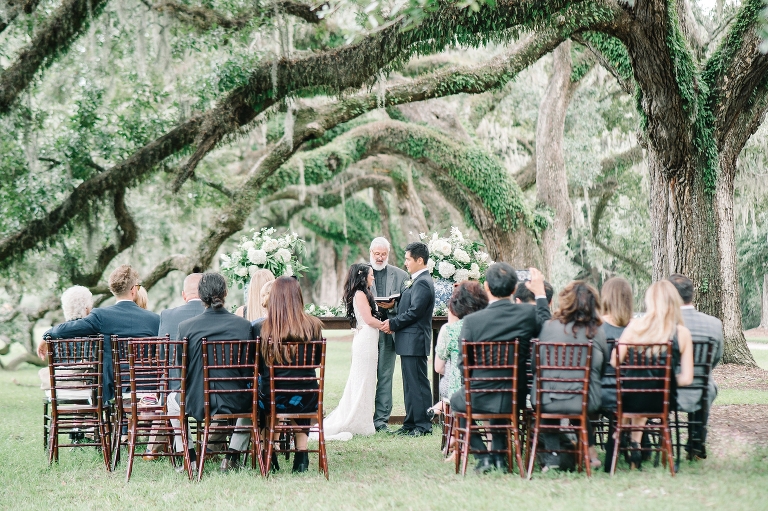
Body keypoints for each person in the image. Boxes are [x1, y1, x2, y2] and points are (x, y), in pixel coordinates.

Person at [449, 263, 550, 474]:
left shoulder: (472, 321)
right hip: (515, 395)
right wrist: (540, 294)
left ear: (486, 287)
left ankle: (483, 455)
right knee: (499, 401)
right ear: (514, 289)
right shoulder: (527, 314)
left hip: (479, 394)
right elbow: (547, 328)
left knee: (457, 402)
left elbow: (463, 365)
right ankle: (498, 457)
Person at [168, 273, 254, 473]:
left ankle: (189, 457)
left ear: (200, 295)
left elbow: (182, 368)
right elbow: (249, 367)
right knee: (253, 401)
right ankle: (232, 456)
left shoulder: (186, 327)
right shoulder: (243, 326)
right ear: (225, 293)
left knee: (172, 401)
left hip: (197, 399)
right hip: (235, 399)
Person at [45, 265, 160, 403]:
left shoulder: (101, 316)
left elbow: (64, 329)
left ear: (112, 290)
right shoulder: (155, 319)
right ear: (134, 289)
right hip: (146, 386)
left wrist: (47, 334)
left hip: (112, 388)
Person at [611, 280, 694, 469]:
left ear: (650, 301)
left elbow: (615, 361)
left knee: (639, 388)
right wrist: (664, 382)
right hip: (661, 401)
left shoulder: (634, 327)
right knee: (650, 391)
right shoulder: (682, 333)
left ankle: (634, 442)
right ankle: (635, 443)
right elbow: (687, 377)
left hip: (630, 398)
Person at [532, 281, 610, 471]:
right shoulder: (597, 332)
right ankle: (590, 454)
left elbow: (536, 365)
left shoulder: (549, 327)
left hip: (547, 400)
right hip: (585, 401)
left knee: (551, 395)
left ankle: (553, 456)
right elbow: (604, 368)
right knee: (578, 394)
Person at [256, 276, 324, 473]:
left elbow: (259, 367)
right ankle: (301, 456)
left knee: (264, 395)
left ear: (274, 298)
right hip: (308, 395)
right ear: (298, 297)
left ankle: (268, 451)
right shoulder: (314, 326)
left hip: (272, 397)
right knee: (298, 392)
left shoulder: (262, 328)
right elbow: (316, 361)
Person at [320, 264, 384, 440]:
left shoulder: (364, 293)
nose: (373, 278)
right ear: (363, 277)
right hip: (366, 339)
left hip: (369, 339)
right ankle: (356, 420)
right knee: (362, 379)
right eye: (371, 275)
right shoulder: (360, 294)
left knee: (367, 379)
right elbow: (369, 319)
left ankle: (363, 419)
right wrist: (386, 327)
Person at [144, 273, 204, 461]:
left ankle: (155, 448)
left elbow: (162, 355)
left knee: (166, 383)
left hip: (176, 384)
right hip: (210, 386)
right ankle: (211, 448)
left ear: (184, 294)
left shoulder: (168, 315)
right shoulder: (217, 314)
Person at [381, 242, 435, 436]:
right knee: (409, 384)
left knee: (418, 384)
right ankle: (410, 423)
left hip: (415, 340)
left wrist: (393, 323)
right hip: (407, 341)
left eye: (408, 259)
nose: (405, 263)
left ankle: (423, 425)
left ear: (420, 260)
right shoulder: (416, 280)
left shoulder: (423, 282)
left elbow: (415, 312)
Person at [668, 273, 724, 460]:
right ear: (691, 295)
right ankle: (696, 441)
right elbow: (715, 359)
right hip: (702, 388)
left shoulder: (664, 324)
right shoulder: (714, 324)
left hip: (670, 388)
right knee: (707, 384)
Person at [369, 237, 409, 432]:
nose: (380, 257)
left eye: (383, 254)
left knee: (385, 375)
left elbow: (409, 304)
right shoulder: (361, 273)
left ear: (388, 254)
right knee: (365, 375)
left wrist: (394, 306)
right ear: (371, 253)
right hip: (368, 332)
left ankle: (381, 420)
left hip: (389, 330)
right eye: (377, 254)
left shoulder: (401, 275)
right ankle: (364, 417)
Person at [432, 281, 489, 412]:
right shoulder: (489, 326)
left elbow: (438, 368)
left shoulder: (449, 330)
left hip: (460, 392)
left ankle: (443, 407)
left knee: (450, 371)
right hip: (489, 389)